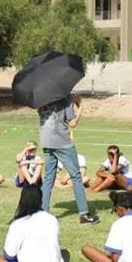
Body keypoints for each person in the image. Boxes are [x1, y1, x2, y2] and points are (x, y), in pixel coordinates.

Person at [0, 185, 69, 262]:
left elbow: (9, 256)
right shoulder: (52, 220)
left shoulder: (19, 223)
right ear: (41, 200)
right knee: (65, 253)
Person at [38, 93, 100, 224]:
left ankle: (42, 213)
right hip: (61, 141)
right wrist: (80, 107)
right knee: (76, 176)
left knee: (49, 177)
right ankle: (84, 214)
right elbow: (72, 123)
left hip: (46, 141)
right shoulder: (65, 97)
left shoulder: (41, 98)